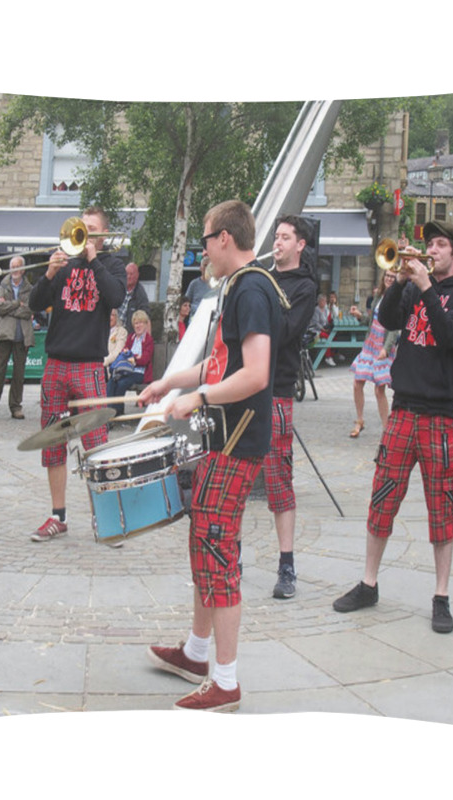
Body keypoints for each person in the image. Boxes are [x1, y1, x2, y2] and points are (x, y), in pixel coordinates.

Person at [141, 200, 282, 711]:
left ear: (225, 238)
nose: (202, 248)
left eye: (205, 238)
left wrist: (195, 399)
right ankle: (198, 654)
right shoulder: (235, 288)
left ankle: (225, 681)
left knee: (218, 551)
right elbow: (217, 364)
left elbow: (256, 373)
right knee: (205, 538)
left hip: (237, 438)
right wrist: (166, 383)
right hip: (223, 436)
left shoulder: (251, 288)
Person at [332, 221, 453, 634]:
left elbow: (452, 337)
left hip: (439, 415)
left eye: (439, 244)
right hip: (403, 410)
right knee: (382, 496)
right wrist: (400, 280)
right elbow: (388, 318)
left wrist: (426, 287)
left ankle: (441, 596)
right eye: (428, 243)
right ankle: (368, 583)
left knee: (441, 505)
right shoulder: (414, 284)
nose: (430, 250)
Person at [27, 206, 127, 542]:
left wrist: (92, 259)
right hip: (56, 362)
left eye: (92, 228)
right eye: (81, 227)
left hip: (88, 364)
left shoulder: (110, 264)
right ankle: (58, 516)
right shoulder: (62, 261)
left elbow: (115, 296)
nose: (84, 232)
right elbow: (35, 304)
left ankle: (107, 518)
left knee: (96, 444)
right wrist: (50, 274)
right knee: (54, 442)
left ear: (102, 234)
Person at [262, 215, 317, 600]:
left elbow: (284, 332)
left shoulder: (305, 287)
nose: (277, 243)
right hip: (242, 387)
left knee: (279, 482)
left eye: (284, 237)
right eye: (275, 236)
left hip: (277, 388)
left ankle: (287, 566)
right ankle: (233, 555)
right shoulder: (261, 277)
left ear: (300, 245)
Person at [347, 270, 400, 437]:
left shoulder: (398, 298)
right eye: (387, 276)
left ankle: (386, 429)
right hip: (370, 343)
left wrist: (387, 347)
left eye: (393, 276)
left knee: (379, 390)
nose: (390, 279)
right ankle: (360, 420)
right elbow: (371, 321)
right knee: (357, 383)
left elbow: (394, 327)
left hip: (383, 345)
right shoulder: (379, 295)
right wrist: (359, 315)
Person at [0, 256, 35, 420]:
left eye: (18, 266)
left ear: (23, 269)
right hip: (5, 334)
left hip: (22, 335)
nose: (15, 270)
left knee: (19, 374)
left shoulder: (30, 288)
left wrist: (10, 306)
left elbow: (29, 310)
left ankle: (16, 406)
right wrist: (18, 304)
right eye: (13, 266)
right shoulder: (3, 284)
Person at [106, 309, 154, 418]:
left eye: (141, 323)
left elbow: (145, 360)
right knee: (112, 381)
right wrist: (135, 357)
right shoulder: (131, 338)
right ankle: (110, 412)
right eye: (136, 323)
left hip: (140, 373)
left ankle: (117, 412)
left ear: (146, 324)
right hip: (126, 371)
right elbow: (124, 353)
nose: (138, 326)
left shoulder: (148, 340)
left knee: (122, 383)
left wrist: (131, 357)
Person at [117, 261, 150, 328]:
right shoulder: (118, 288)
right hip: (113, 329)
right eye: (127, 274)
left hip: (129, 332)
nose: (128, 277)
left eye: (131, 274)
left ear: (137, 275)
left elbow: (144, 317)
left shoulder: (140, 294)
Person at [310, 293, 335, 366]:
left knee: (333, 337)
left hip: (324, 328)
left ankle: (333, 355)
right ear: (319, 301)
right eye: (323, 301)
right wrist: (324, 329)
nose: (324, 303)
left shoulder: (325, 309)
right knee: (328, 338)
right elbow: (316, 323)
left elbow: (327, 320)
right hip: (316, 330)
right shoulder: (316, 310)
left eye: (325, 301)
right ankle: (328, 357)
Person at [185, 256, 212, 321]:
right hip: (195, 318)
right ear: (200, 268)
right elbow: (186, 302)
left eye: (209, 266)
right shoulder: (194, 284)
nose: (206, 268)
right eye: (205, 265)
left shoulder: (217, 285)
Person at [103, 308, 128, 375]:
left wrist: (104, 361)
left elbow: (117, 352)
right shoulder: (101, 331)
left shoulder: (122, 331)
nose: (109, 317)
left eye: (112, 315)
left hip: (111, 366)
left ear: (117, 317)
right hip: (98, 365)